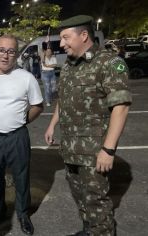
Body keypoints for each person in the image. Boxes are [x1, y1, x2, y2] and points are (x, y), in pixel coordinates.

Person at [44, 15, 132, 236]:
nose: (61, 44)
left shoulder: (109, 63)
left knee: (97, 204)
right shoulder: (69, 66)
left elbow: (120, 107)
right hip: (71, 148)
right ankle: (89, 230)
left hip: (94, 153)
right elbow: (63, 100)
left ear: (83, 35)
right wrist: (52, 124)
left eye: (65, 37)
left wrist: (108, 150)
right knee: (80, 198)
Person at [0, 35, 43, 235]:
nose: (5, 56)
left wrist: (20, 121)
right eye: (2, 50)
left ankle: (23, 213)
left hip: (17, 137)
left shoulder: (26, 77)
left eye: (11, 51)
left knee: (21, 177)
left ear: (16, 54)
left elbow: (37, 106)